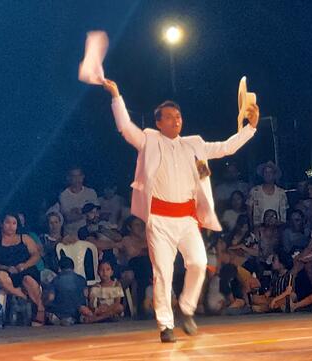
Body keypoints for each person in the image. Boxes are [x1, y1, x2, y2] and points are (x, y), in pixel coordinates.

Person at [103, 78, 259, 343]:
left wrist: (251, 127)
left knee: (199, 263)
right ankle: (166, 324)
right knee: (162, 271)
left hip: (187, 219)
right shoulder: (149, 141)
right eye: (170, 117)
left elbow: (225, 147)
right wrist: (116, 95)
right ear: (159, 122)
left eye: (178, 116)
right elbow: (124, 127)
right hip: (160, 220)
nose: (176, 120)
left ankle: (186, 308)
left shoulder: (194, 145)